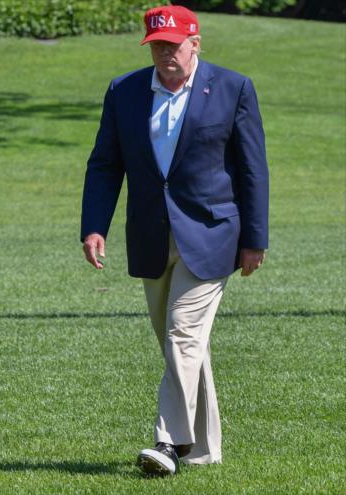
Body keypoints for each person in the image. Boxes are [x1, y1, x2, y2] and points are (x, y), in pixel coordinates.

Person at [79, 5, 269, 476]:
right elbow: (105, 163)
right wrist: (94, 224)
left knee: (183, 333)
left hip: (212, 233)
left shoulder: (233, 88)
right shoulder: (124, 91)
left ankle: (167, 444)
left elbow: (252, 169)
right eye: (157, 45)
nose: (166, 54)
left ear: (195, 43)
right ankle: (204, 447)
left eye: (174, 45)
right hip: (150, 234)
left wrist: (255, 239)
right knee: (183, 345)